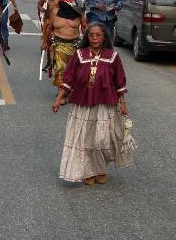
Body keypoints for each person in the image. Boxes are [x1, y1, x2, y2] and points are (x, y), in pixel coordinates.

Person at [52, 23, 133, 185]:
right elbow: (69, 78)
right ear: (87, 37)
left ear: (104, 37)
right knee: (85, 140)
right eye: (91, 35)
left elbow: (119, 82)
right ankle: (89, 171)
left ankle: (101, 169)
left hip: (106, 105)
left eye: (98, 35)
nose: (95, 38)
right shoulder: (79, 55)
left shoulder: (113, 56)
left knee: (102, 140)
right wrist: (58, 99)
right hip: (83, 105)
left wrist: (123, 104)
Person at [43, 0, 85, 88]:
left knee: (74, 71)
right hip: (59, 46)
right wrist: (44, 43)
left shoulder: (79, 13)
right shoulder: (54, 12)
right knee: (60, 70)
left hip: (75, 46)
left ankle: (69, 89)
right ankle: (61, 93)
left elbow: (86, 28)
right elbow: (49, 28)